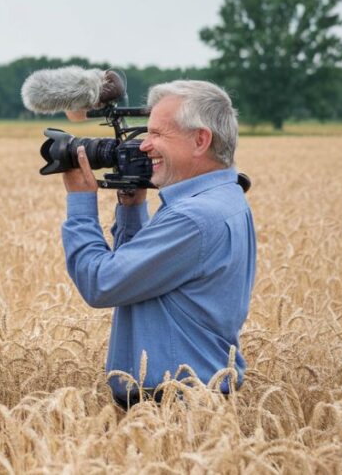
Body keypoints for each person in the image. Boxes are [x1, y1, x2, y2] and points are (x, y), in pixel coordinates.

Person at [60, 80, 256, 408]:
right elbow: (146, 279)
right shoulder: (222, 197)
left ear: (200, 139)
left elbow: (101, 283)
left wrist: (81, 204)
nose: (143, 146)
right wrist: (132, 208)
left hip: (173, 408)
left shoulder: (194, 217)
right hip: (188, 400)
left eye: (157, 134)